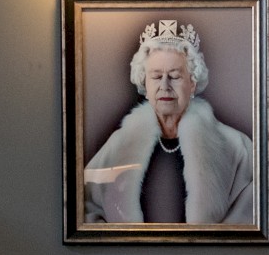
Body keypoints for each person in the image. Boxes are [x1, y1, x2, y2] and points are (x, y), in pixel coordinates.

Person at [85, 19, 256, 224]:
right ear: (144, 83)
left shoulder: (236, 145)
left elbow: (255, 211)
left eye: (175, 76)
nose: (165, 86)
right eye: (156, 77)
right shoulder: (118, 144)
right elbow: (85, 206)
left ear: (192, 83)